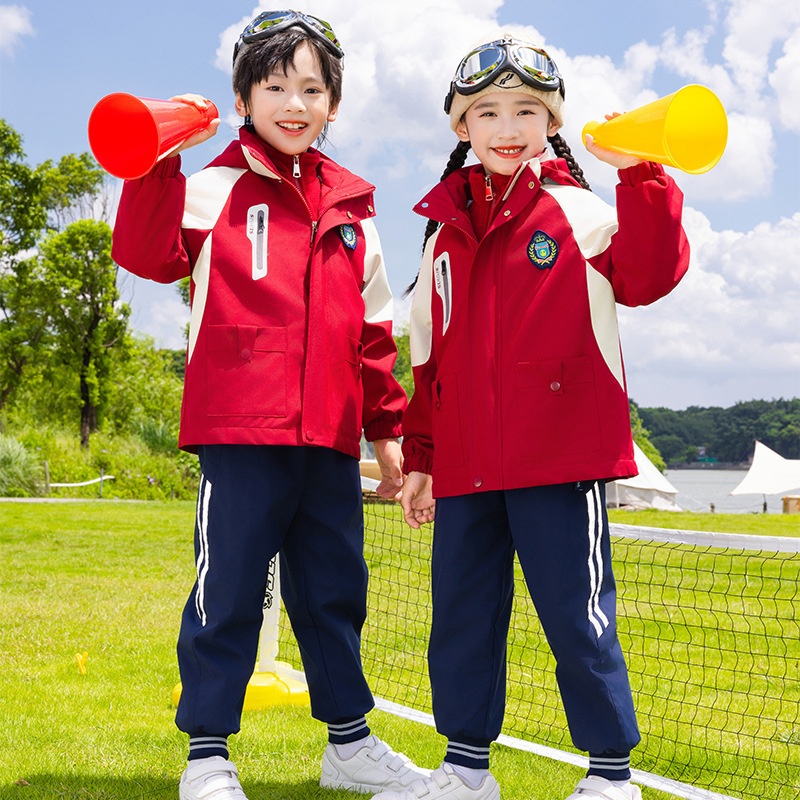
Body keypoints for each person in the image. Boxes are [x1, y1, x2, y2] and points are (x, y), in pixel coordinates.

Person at [112, 10, 428, 800]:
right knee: (228, 591)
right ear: (244, 98)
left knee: (333, 592)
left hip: (330, 437)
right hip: (238, 431)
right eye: (276, 87)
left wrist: (387, 431)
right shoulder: (208, 188)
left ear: (333, 104)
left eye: (312, 90)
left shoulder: (354, 207)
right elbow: (144, 254)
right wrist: (156, 163)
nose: (294, 103)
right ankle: (206, 756)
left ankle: (349, 746)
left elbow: (374, 330)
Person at [380, 35, 690, 800]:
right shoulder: (442, 231)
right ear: (462, 128)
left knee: (578, 620)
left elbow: (650, 276)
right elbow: (431, 357)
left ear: (552, 122)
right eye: (486, 112)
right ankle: (464, 771)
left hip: (561, 460)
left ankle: (610, 775)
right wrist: (422, 457)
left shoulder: (580, 211)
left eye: (526, 110)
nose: (507, 127)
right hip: (465, 467)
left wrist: (642, 174)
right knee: (461, 620)